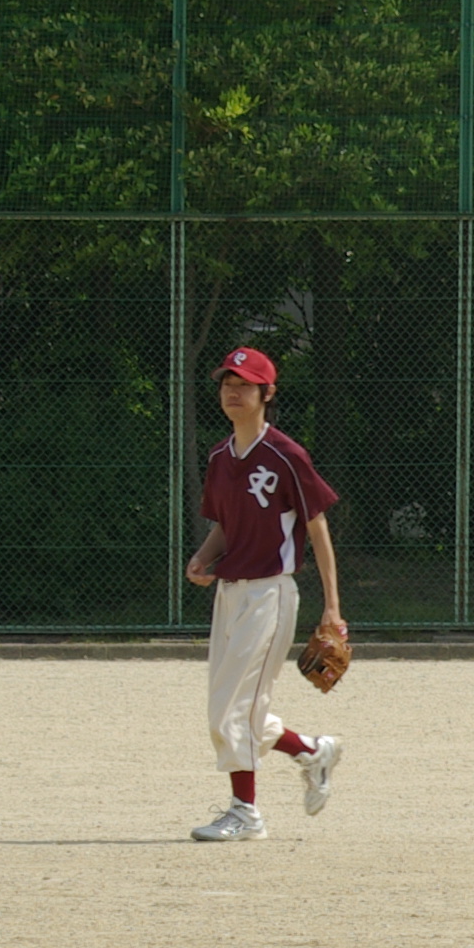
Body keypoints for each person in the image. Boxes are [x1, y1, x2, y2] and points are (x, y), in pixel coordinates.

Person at [183, 346, 345, 843]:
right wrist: (202, 558)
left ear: (267, 393)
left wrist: (332, 607)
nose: (233, 392)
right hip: (230, 595)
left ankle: (246, 813)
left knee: (234, 709)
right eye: (227, 383)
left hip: (270, 595)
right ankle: (311, 751)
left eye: (245, 385)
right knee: (231, 707)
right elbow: (225, 525)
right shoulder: (219, 456)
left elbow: (317, 527)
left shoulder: (286, 455)